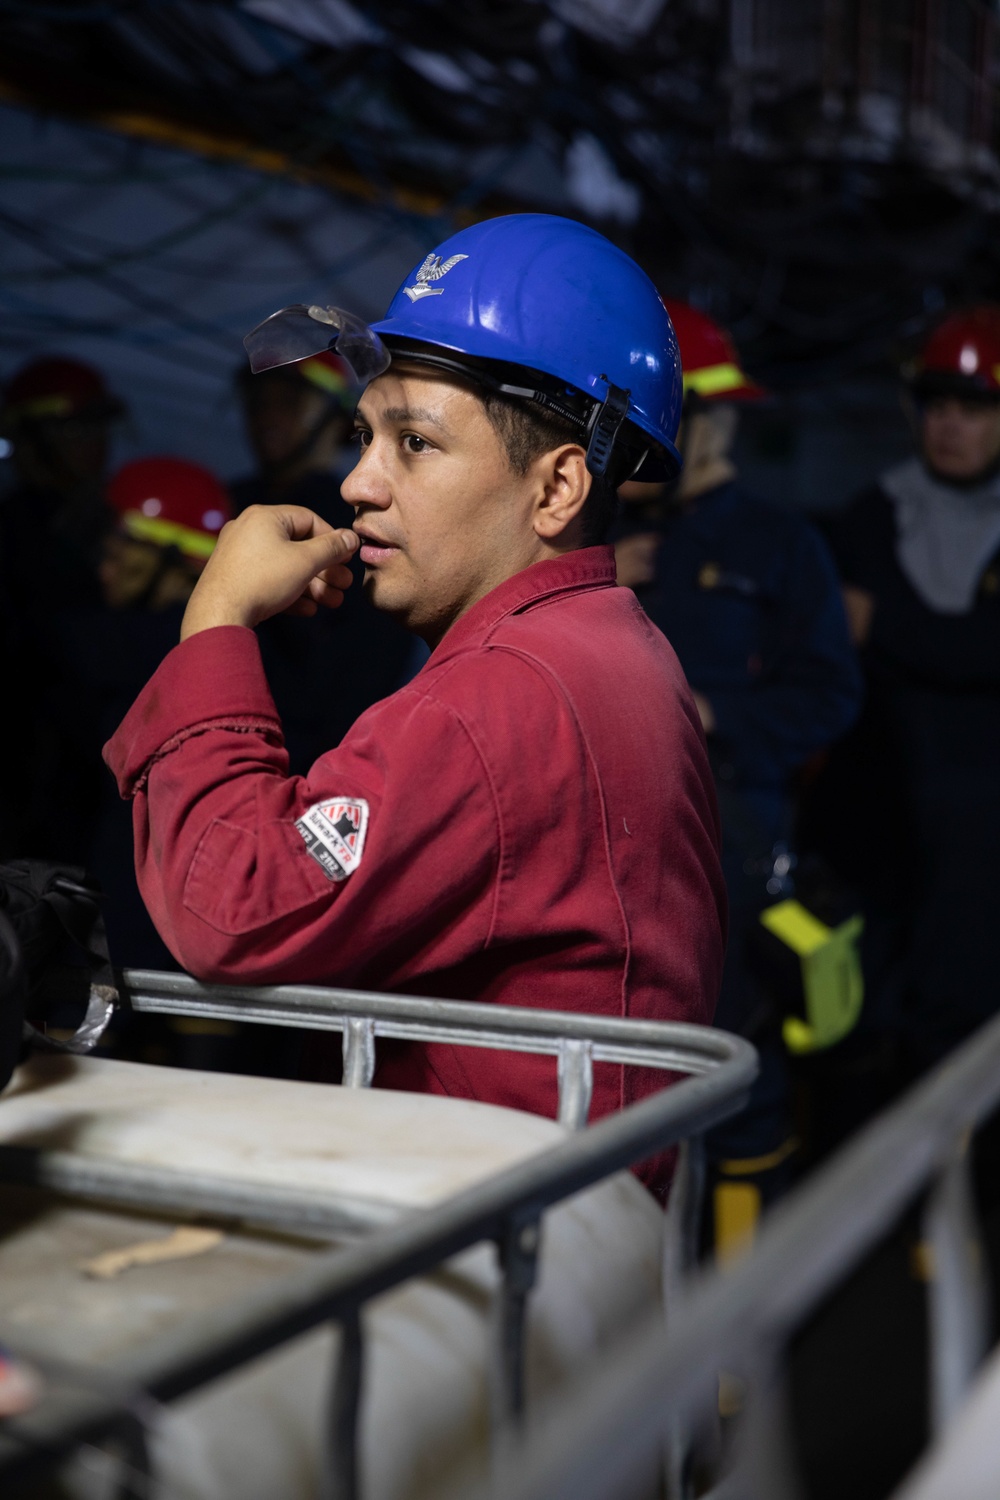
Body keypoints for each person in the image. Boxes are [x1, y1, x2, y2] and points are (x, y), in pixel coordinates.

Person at [104, 214, 728, 1198]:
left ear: (559, 484)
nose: (358, 483)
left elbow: (230, 907)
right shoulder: (606, 642)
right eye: (364, 437)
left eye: (415, 444)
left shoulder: (498, 698)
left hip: (492, 1252)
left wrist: (216, 620)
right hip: (572, 1234)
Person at [615, 302, 862, 1240]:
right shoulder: (587, 531)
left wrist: (720, 716)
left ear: (723, 420)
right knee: (624, 1096)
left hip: (733, 853)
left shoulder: (780, 546)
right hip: (614, 856)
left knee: (741, 1087)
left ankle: (735, 1358)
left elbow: (831, 694)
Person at [814, 306, 1000, 1088]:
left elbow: (947, 648)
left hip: (983, 849)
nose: (950, 425)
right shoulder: (873, 512)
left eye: (973, 408)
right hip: (876, 827)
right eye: (937, 406)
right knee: (856, 1046)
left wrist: (886, 624)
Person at [231, 349, 415, 772]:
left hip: (300, 761)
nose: (268, 416)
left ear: (336, 419)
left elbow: (371, 666)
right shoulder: (225, 506)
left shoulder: (362, 524)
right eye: (258, 402)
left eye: (289, 402)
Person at [0, 356, 124, 860]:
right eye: (77, 429)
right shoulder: (15, 532)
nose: (95, 443)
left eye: (98, 426)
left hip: (88, 765)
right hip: (26, 764)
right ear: (35, 440)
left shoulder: (111, 524)